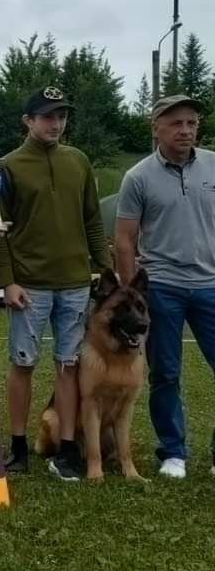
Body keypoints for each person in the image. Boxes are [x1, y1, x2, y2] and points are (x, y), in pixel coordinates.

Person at [0, 87, 111, 481]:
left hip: (75, 283)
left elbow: (92, 219)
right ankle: (19, 447)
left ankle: (68, 449)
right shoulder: (6, 167)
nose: (55, 123)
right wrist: (6, 281)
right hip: (29, 286)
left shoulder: (78, 161)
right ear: (27, 120)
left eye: (61, 116)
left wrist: (105, 269)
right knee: (22, 363)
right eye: (46, 116)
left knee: (69, 367)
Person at [115, 94, 215, 479]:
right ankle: (173, 452)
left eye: (191, 123)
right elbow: (124, 239)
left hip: (210, 285)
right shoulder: (137, 177)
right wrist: (131, 294)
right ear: (155, 128)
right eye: (176, 123)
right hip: (162, 288)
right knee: (166, 373)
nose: (185, 131)